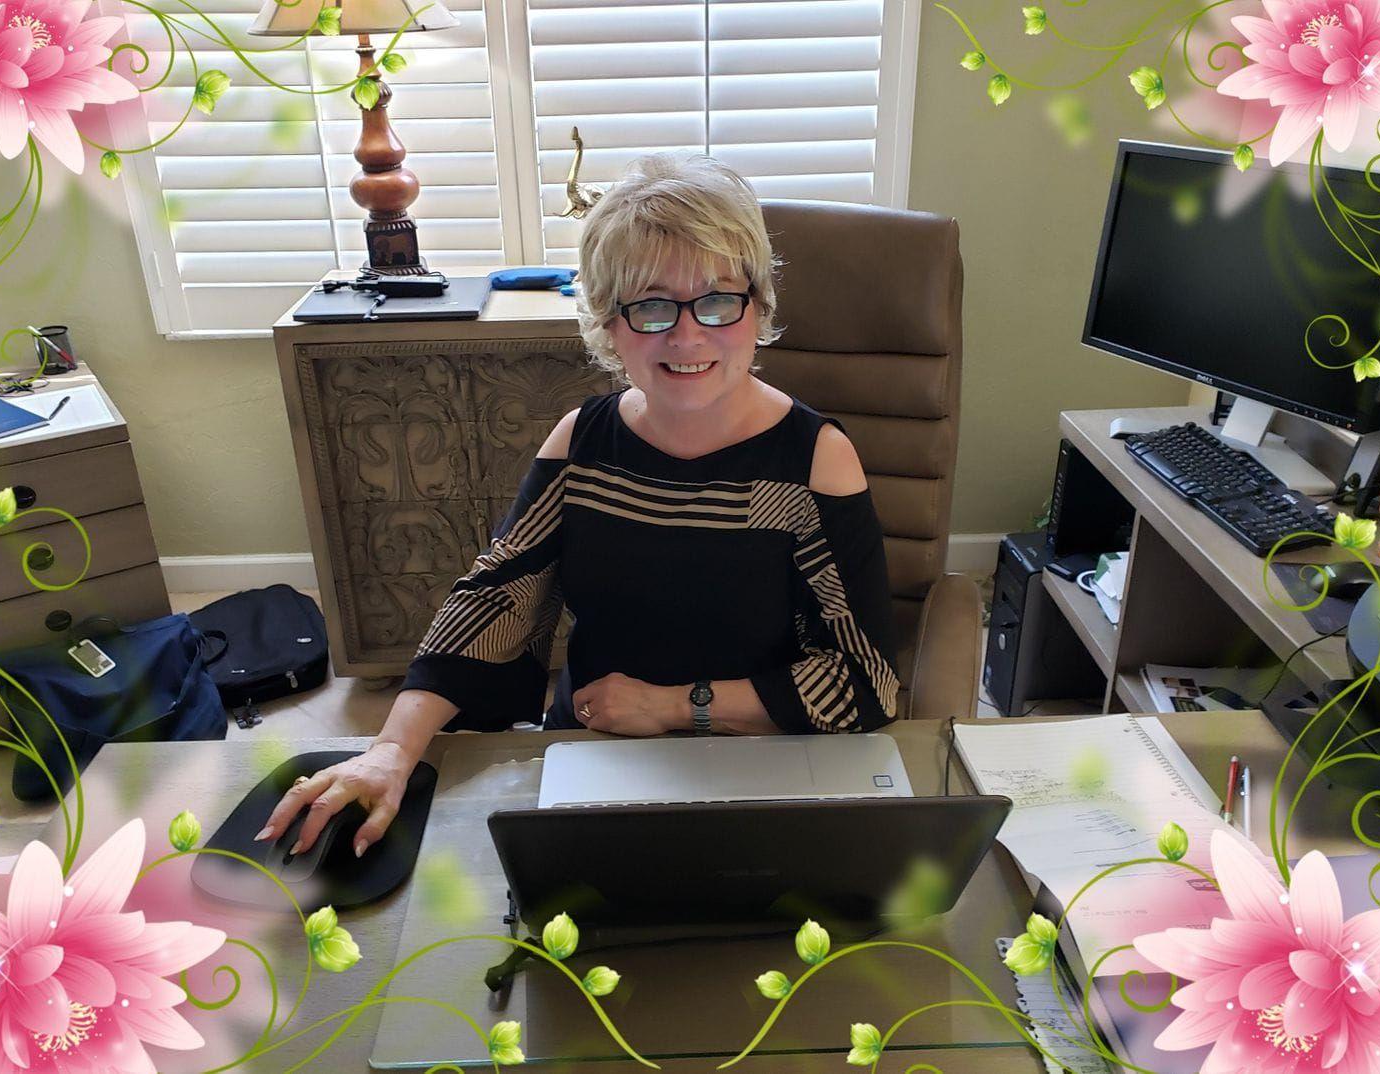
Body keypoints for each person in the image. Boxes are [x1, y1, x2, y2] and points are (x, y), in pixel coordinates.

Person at [257, 153, 901, 858]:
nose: (687, 336)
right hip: (595, 747)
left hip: (759, 759)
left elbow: (866, 680)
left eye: (718, 299)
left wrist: (677, 705)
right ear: (609, 321)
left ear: (757, 307)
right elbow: (492, 603)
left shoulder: (814, 461)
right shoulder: (582, 441)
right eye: (651, 305)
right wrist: (389, 748)